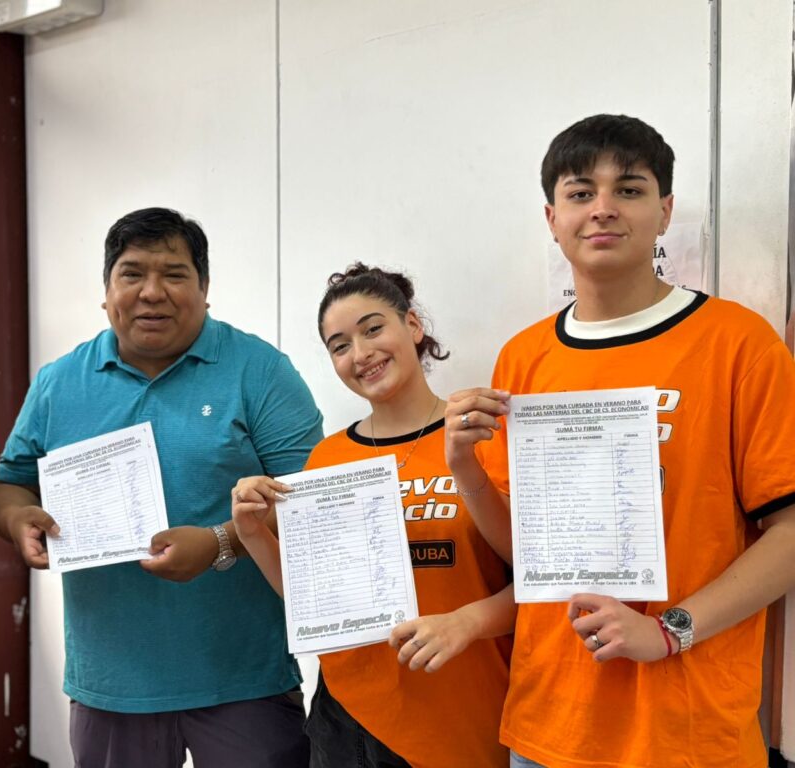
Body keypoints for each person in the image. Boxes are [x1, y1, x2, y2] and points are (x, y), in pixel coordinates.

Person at [445, 114, 795, 768]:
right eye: (581, 192)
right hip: (550, 725)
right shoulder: (524, 357)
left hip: (688, 731)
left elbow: (790, 534)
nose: (603, 208)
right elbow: (529, 556)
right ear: (552, 219)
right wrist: (466, 470)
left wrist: (668, 632)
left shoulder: (738, 343)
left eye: (628, 189)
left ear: (664, 211)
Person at [0, 207, 323, 767]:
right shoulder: (58, 383)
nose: (151, 292)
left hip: (244, 678)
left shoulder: (259, 370)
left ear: (205, 288)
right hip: (110, 683)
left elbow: (311, 502)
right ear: (106, 291)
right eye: (133, 274)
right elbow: (9, 487)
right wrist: (20, 520)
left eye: (173, 274)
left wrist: (218, 542)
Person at [232, 263, 514, 768]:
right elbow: (315, 604)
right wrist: (253, 533)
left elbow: (544, 583)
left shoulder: (481, 434)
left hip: (464, 711)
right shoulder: (328, 459)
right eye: (340, 345)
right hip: (349, 716)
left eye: (373, 329)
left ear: (413, 325)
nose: (360, 354)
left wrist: (467, 623)